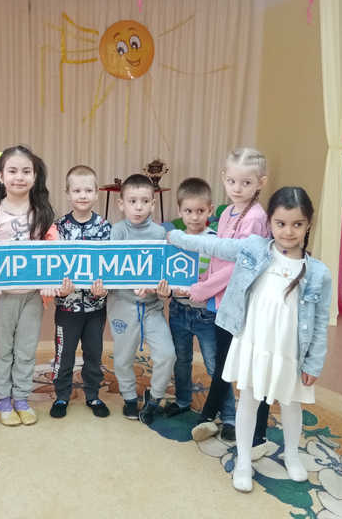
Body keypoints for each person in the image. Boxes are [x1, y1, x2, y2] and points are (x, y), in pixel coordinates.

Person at [170, 187, 331, 493]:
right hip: (255, 343)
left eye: (297, 224)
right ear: (270, 222)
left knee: (290, 403)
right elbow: (215, 245)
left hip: (289, 350)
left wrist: (314, 362)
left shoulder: (317, 273)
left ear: (308, 224)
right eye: (281, 223)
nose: (288, 231)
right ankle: (243, 461)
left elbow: (321, 320)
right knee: (248, 401)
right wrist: (176, 237)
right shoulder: (254, 248)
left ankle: (292, 456)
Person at [180, 149, 273, 455]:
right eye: (232, 181)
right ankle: (211, 417)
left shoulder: (255, 218)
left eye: (246, 183)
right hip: (221, 299)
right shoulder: (227, 212)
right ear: (223, 178)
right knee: (223, 361)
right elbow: (219, 255)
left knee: (234, 365)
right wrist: (204, 279)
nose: (237, 188)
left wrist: (202, 288)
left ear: (260, 183)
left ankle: (231, 421)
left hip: (240, 302)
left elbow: (239, 266)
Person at [0, 145, 57, 426]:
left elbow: (55, 253)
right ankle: (2, 398)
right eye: (12, 171)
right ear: (1, 177)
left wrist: (51, 282)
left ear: (35, 177)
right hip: (3, 296)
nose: (19, 177)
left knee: (26, 348)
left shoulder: (43, 212)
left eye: (26, 171)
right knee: (4, 348)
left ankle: (22, 397)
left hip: (33, 296)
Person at [160, 177, 236, 440]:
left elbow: (221, 277)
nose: (194, 217)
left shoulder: (215, 241)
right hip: (179, 311)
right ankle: (183, 400)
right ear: (179, 211)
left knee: (215, 366)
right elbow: (167, 273)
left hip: (207, 314)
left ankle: (229, 416)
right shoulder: (174, 240)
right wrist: (166, 290)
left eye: (201, 211)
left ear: (210, 210)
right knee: (181, 360)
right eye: (189, 211)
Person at [108, 174, 176, 426]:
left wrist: (162, 290)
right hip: (122, 304)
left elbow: (164, 272)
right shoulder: (118, 231)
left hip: (152, 307)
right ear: (121, 204)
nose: (138, 207)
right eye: (132, 201)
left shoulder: (160, 233)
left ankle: (154, 397)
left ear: (153, 204)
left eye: (145, 201)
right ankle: (128, 396)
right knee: (123, 357)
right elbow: (113, 268)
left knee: (167, 355)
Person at [48, 165, 111, 419]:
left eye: (87, 190)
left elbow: (110, 266)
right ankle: (62, 395)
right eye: (76, 191)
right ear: (67, 193)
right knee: (64, 353)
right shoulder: (58, 228)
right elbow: (52, 266)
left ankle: (93, 394)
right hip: (67, 307)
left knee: (94, 352)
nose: (82, 195)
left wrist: (104, 292)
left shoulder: (105, 227)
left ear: (96, 193)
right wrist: (59, 292)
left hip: (96, 308)